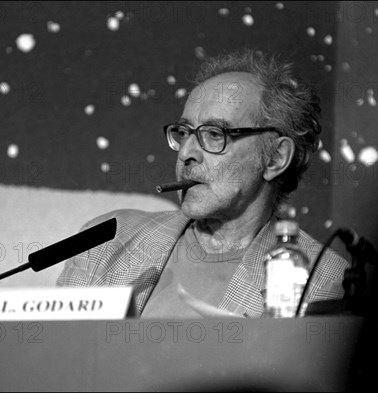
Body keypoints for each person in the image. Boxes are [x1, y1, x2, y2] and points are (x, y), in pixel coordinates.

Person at [56, 49, 349, 318]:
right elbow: (53, 361)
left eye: (214, 134)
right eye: (184, 132)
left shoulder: (322, 280)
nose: (186, 153)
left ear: (274, 158)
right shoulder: (108, 241)